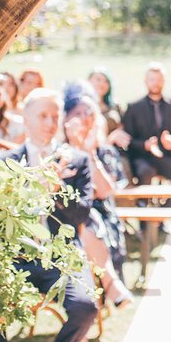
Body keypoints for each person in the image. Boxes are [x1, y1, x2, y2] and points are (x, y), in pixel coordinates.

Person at [0, 89, 98, 342]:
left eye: (55, 116)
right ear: (26, 117)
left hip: (62, 256)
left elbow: (83, 214)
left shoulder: (77, 161)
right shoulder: (5, 162)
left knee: (86, 306)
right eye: (43, 115)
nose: (49, 123)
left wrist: (57, 192)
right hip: (14, 257)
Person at [62, 83, 133, 308]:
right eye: (77, 114)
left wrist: (88, 152)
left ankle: (106, 286)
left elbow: (103, 190)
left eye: (89, 113)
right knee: (81, 217)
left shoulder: (104, 151)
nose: (84, 118)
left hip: (101, 219)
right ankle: (111, 285)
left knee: (87, 218)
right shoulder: (57, 152)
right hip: (63, 219)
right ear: (65, 119)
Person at [122, 63, 171, 196]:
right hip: (143, 158)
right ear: (146, 81)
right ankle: (144, 211)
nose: (156, 83)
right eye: (152, 79)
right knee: (145, 173)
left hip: (168, 157)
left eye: (159, 79)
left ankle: (164, 210)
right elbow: (128, 140)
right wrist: (145, 145)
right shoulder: (133, 107)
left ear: (164, 81)